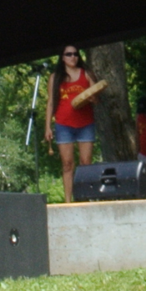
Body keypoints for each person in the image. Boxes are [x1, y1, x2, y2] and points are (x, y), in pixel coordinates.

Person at [45, 45, 101, 202]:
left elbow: (96, 98)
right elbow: (50, 102)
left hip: (85, 123)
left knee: (86, 163)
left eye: (75, 54)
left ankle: (86, 197)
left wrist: (92, 99)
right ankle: (68, 201)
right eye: (68, 54)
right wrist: (47, 126)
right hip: (63, 124)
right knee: (67, 164)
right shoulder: (55, 78)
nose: (73, 57)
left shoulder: (86, 74)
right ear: (62, 57)